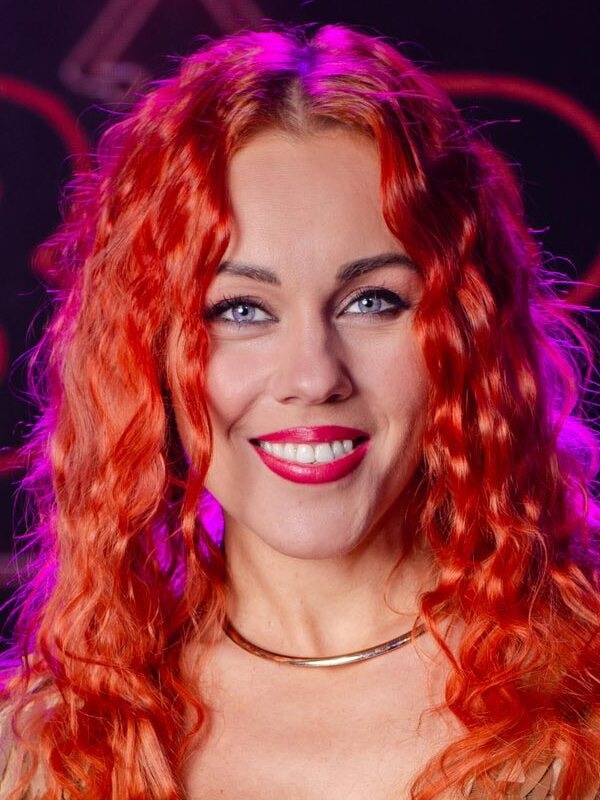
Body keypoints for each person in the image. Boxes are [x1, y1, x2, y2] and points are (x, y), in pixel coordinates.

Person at [1, 22, 599, 800]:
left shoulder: (582, 713)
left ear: (465, 335)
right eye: (241, 309)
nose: (314, 377)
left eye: (372, 300)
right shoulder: (46, 746)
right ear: (147, 353)